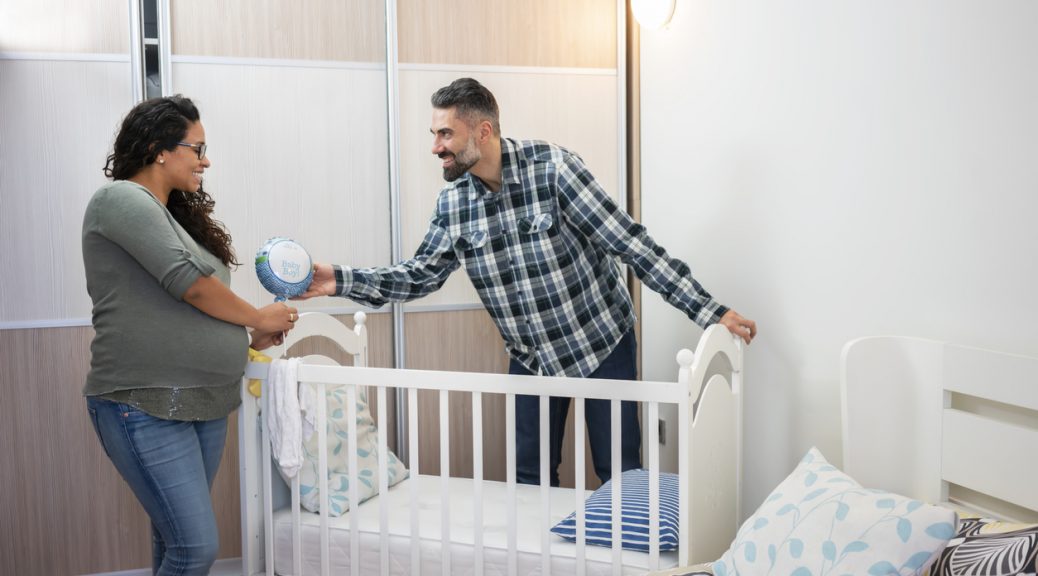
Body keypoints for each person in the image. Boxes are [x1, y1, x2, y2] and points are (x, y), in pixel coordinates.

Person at [300, 77, 756, 487]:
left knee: (621, 472)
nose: (436, 147)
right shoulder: (453, 204)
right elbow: (417, 276)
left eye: (445, 134)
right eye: (434, 134)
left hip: (601, 343)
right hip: (532, 358)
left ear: (484, 131)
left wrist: (709, 311)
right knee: (528, 477)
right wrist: (339, 280)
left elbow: (630, 244)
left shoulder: (554, 169)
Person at [81, 95, 298, 575]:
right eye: (197, 148)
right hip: (143, 403)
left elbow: (184, 316)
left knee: (173, 541)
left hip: (205, 403)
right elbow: (190, 285)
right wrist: (257, 319)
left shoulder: (172, 216)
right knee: (195, 549)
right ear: (160, 148)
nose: (207, 160)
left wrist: (247, 343)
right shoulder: (119, 199)